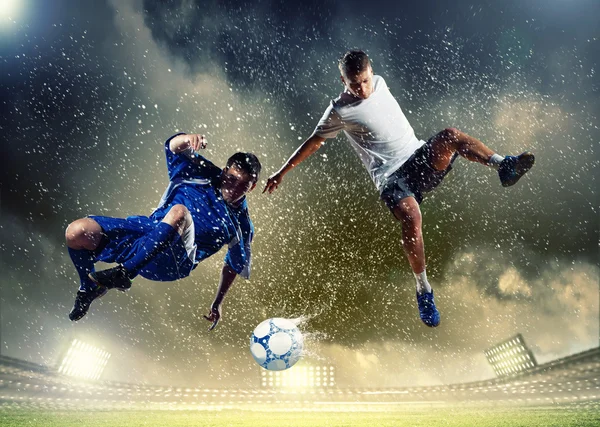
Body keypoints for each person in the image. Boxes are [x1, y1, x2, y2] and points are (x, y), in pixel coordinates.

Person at [264, 50, 534, 327]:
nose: (362, 89)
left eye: (366, 81)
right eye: (354, 84)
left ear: (372, 72)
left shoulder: (380, 83)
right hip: (391, 178)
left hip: (418, 158)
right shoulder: (339, 111)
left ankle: (504, 166)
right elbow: (314, 141)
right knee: (411, 216)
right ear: (342, 80)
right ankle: (424, 290)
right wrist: (282, 172)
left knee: (450, 135)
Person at [65, 132, 261, 331]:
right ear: (225, 171)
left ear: (251, 187)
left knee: (179, 213)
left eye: (243, 186)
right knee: (77, 232)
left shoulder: (242, 225)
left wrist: (218, 301)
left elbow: (233, 264)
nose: (234, 189)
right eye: (231, 179)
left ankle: (125, 273)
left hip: (173, 262)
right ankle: (88, 287)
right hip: (148, 234)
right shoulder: (201, 172)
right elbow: (173, 147)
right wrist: (188, 138)